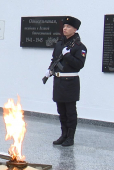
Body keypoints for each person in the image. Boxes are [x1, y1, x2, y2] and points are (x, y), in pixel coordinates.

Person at [45, 16, 87, 147]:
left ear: (75, 29)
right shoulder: (59, 44)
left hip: (70, 82)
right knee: (61, 111)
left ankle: (70, 137)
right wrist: (50, 70)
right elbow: (54, 59)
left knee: (70, 111)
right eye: (64, 26)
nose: (65, 29)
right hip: (58, 81)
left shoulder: (79, 47)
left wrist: (68, 55)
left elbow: (79, 64)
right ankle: (63, 135)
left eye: (68, 27)